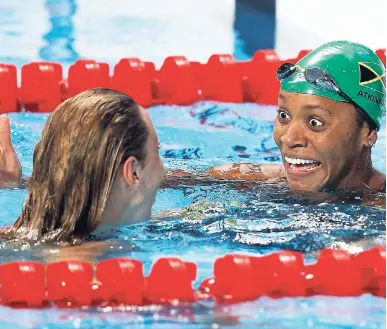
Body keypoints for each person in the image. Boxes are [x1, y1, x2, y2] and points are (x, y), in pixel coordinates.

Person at [2, 88, 164, 243]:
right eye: (156, 150)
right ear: (133, 172)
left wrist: (10, 185)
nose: (162, 169)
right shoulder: (96, 259)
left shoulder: (21, 237)